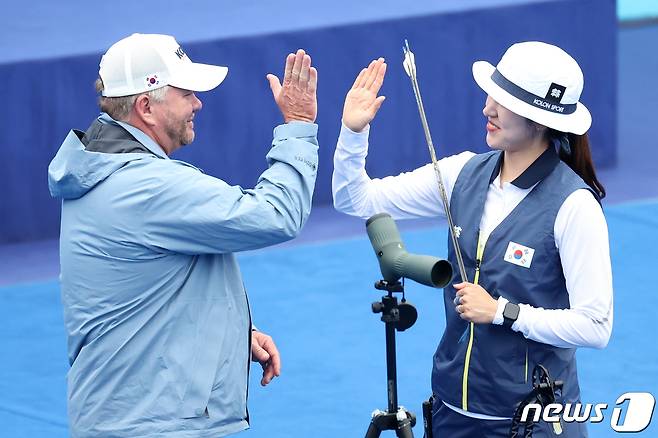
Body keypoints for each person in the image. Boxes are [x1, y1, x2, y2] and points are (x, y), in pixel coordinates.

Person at [333, 42, 613, 437]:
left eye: (505, 101)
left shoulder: (575, 205)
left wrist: (503, 312)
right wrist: (353, 132)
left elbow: (596, 326)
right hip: (451, 412)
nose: (488, 109)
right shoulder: (461, 173)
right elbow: (355, 199)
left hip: (530, 422)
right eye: (491, 94)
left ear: (539, 120)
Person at [48, 33, 319, 437]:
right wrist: (297, 127)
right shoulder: (147, 186)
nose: (198, 103)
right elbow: (276, 215)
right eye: (186, 92)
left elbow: (148, 285)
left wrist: (231, 332)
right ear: (146, 106)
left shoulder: (103, 167)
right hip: (153, 424)